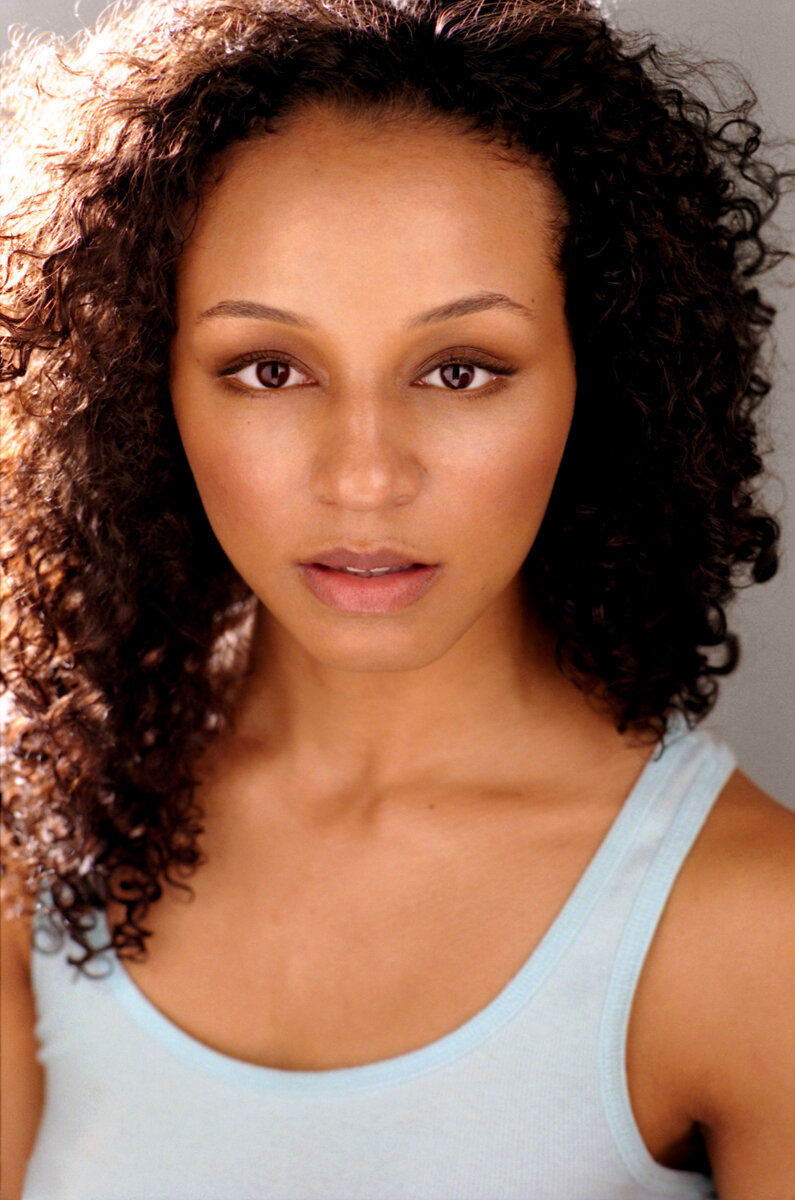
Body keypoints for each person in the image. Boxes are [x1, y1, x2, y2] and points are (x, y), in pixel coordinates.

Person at [1, 0, 793, 1196]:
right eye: (269, 369)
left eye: (460, 370)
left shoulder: (752, 931)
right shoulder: (32, 831)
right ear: (138, 384)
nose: (365, 478)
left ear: (604, 373)